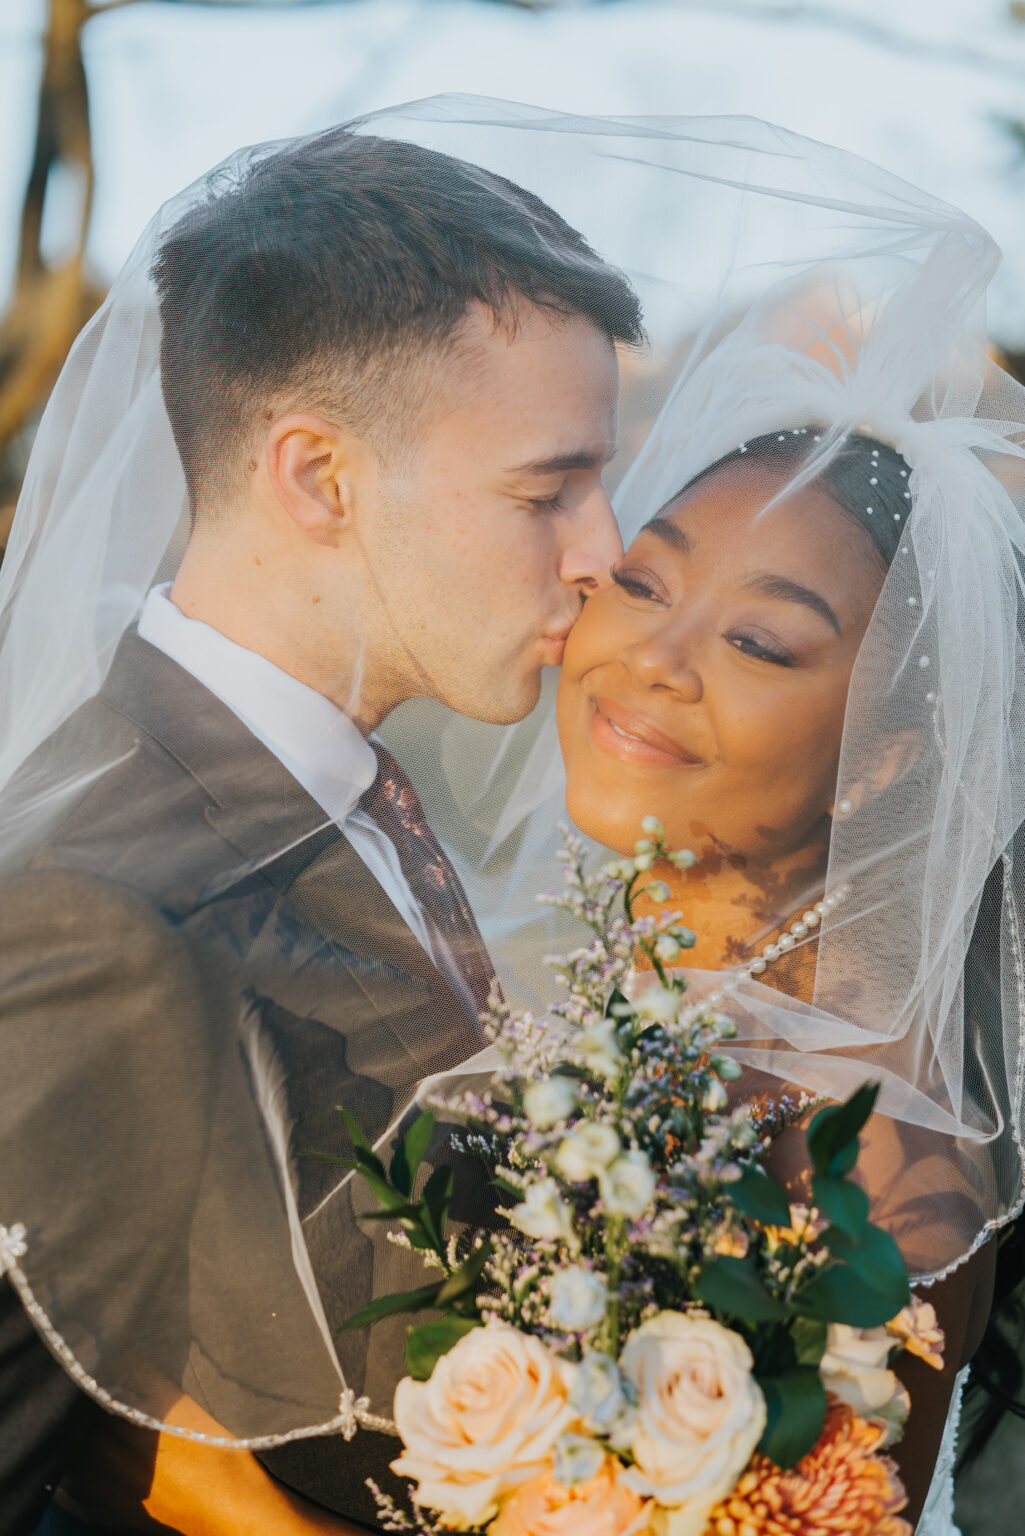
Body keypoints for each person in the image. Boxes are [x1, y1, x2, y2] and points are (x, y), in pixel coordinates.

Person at [0, 124, 641, 1535]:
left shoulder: (354, 795)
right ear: (318, 477)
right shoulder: (95, 918)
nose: (603, 552)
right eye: (546, 490)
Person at [555, 409, 1025, 1530]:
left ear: (889, 744)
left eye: (758, 644)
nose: (652, 662)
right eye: (641, 583)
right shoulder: (628, 976)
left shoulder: (871, 1158)